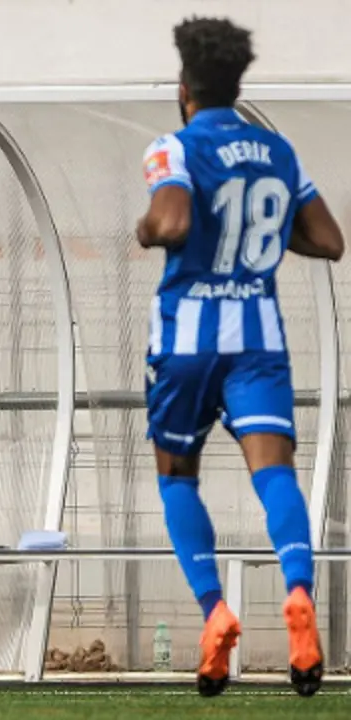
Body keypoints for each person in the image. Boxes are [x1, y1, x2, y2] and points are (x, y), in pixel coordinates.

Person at [138, 16, 344, 698]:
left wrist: (146, 228)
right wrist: (260, 234)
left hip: (190, 339)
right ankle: (296, 592)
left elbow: (170, 221)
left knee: (177, 477)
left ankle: (215, 613)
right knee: (274, 473)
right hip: (258, 336)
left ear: (184, 87)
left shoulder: (173, 148)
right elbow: (328, 239)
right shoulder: (277, 152)